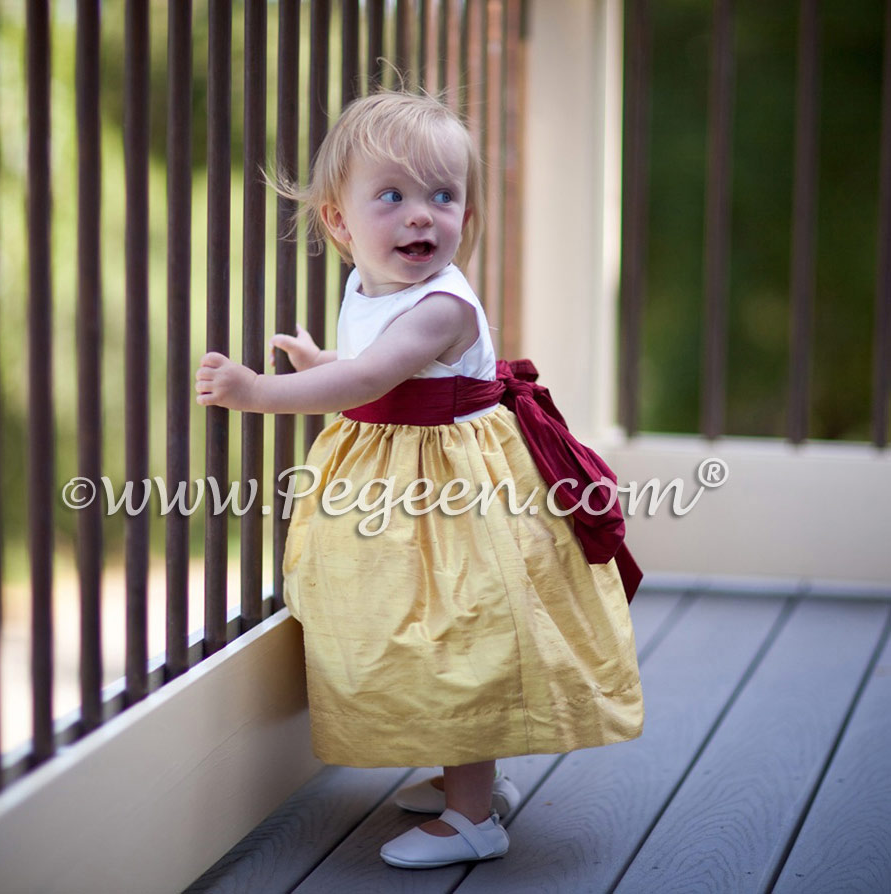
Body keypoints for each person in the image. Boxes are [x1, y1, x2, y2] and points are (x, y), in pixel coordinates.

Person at [195, 89, 644, 870]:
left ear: (466, 219)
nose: (420, 217)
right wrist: (323, 360)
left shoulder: (441, 306)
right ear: (340, 222)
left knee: (452, 635)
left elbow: (371, 379)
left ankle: (474, 816)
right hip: (405, 478)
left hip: (450, 492)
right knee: (418, 637)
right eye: (393, 196)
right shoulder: (372, 286)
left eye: (443, 197)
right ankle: (467, 782)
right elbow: (371, 369)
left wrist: (257, 392)